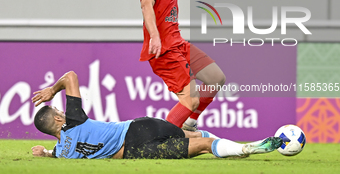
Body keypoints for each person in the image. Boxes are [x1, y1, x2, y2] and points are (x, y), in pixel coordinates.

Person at [31, 71, 282, 159]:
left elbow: (59, 150)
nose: (61, 110)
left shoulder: (65, 152)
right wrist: (53, 91)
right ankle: (239, 147)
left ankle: (242, 149)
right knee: (195, 134)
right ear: (58, 120)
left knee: (201, 145)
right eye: (57, 110)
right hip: (139, 129)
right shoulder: (74, 121)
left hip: (136, 154)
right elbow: (71, 76)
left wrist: (45, 153)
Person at [138, 0, 226, 131]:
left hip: (178, 43)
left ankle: (189, 124)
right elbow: (146, 5)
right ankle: (160, 144)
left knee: (216, 78)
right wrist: (155, 37)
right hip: (165, 49)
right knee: (190, 100)